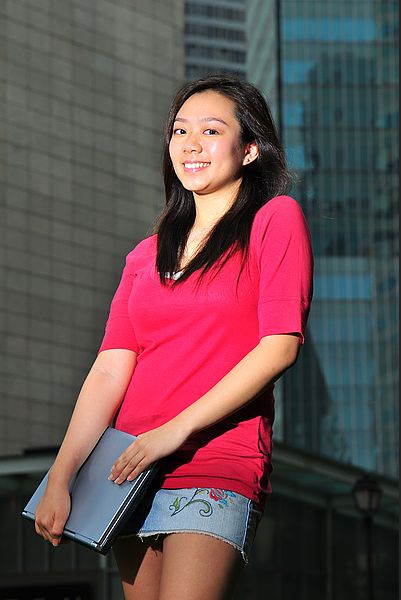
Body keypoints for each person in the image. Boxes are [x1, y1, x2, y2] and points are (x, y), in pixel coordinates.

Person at [34, 74, 314, 600]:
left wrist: (174, 431)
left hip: (215, 460)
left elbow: (279, 346)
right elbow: (111, 368)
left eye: (211, 130)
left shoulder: (274, 220)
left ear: (250, 149)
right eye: (180, 131)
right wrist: (61, 474)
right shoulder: (146, 253)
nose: (191, 144)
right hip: (127, 467)